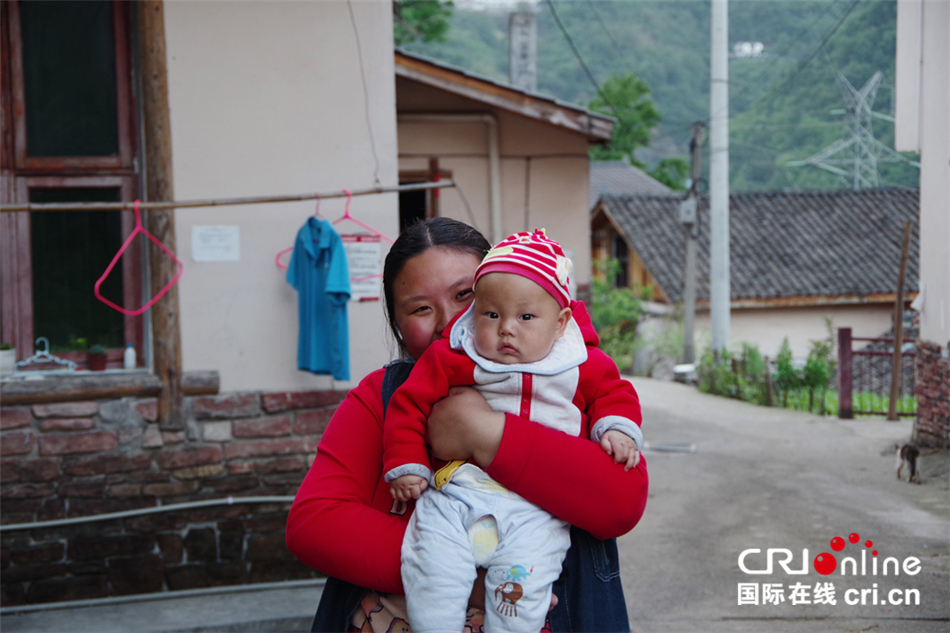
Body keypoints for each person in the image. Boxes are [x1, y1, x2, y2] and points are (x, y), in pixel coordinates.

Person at [286, 218, 649, 633]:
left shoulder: (568, 379)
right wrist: (453, 573)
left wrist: (484, 433)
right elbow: (314, 522)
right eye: (420, 309)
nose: (448, 322)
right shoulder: (382, 398)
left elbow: (621, 503)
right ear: (397, 324)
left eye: (465, 295)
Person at [384, 229, 643, 633]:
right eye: (491, 314)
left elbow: (614, 392)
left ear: (560, 322)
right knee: (432, 569)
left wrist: (618, 427)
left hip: (536, 514)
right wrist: (407, 463)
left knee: (519, 598)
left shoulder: (576, 363)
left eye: (463, 296)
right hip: (458, 493)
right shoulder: (454, 358)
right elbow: (409, 405)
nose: (507, 329)